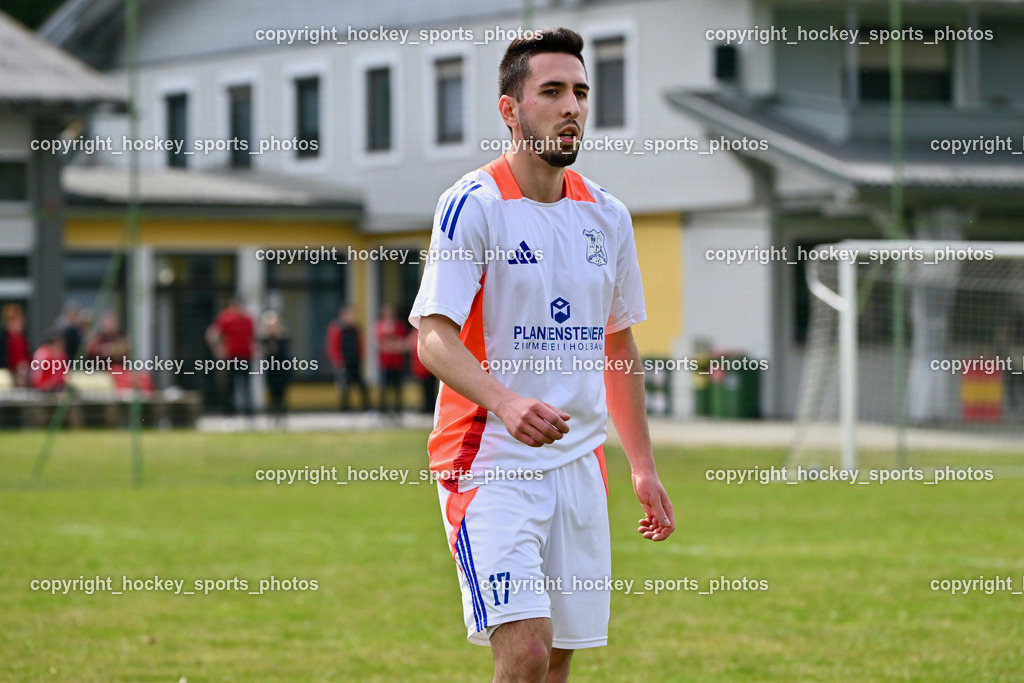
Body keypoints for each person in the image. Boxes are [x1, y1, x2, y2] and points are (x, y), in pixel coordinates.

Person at [410, 28, 674, 682]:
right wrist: (505, 402)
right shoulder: (472, 204)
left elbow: (618, 345)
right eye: (552, 91)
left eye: (580, 92)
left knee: (555, 663)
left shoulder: (607, 216)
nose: (572, 107)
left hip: (579, 465)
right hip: (490, 460)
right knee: (524, 650)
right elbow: (433, 336)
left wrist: (641, 465)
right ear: (510, 109)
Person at [206, 296, 255, 416]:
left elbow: (252, 337)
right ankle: (229, 414)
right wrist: (218, 350)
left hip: (246, 357)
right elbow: (212, 334)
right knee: (230, 386)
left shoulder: (248, 319)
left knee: (246, 386)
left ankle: (248, 414)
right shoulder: (226, 318)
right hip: (231, 357)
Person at [327, 306, 370, 412]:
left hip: (355, 363)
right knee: (344, 388)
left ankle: (366, 408)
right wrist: (338, 362)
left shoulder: (356, 329)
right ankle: (345, 409)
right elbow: (333, 347)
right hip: (343, 364)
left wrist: (361, 358)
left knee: (362, 386)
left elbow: (360, 345)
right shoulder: (337, 328)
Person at [375, 304, 406, 418]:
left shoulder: (399, 326)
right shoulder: (379, 326)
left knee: (397, 389)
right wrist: (395, 345)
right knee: (384, 389)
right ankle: (383, 412)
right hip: (385, 364)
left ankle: (397, 411)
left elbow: (403, 345)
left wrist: (393, 345)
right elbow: (382, 345)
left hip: (397, 363)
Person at [260, 310, 291, 427]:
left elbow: (288, 354)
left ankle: (282, 418)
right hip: (271, 371)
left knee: (282, 395)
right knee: (272, 395)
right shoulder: (264, 339)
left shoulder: (283, 339)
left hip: (282, 372)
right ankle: (272, 419)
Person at [407, 327, 437, 414]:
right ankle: (427, 405)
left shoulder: (424, 332)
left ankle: (430, 406)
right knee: (425, 387)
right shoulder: (418, 332)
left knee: (429, 387)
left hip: (428, 366)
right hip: (422, 365)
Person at [1, 303, 30, 387]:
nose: (21, 323)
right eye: (17, 320)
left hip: (23, 373)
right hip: (8, 372)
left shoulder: (23, 338)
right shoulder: (4, 338)